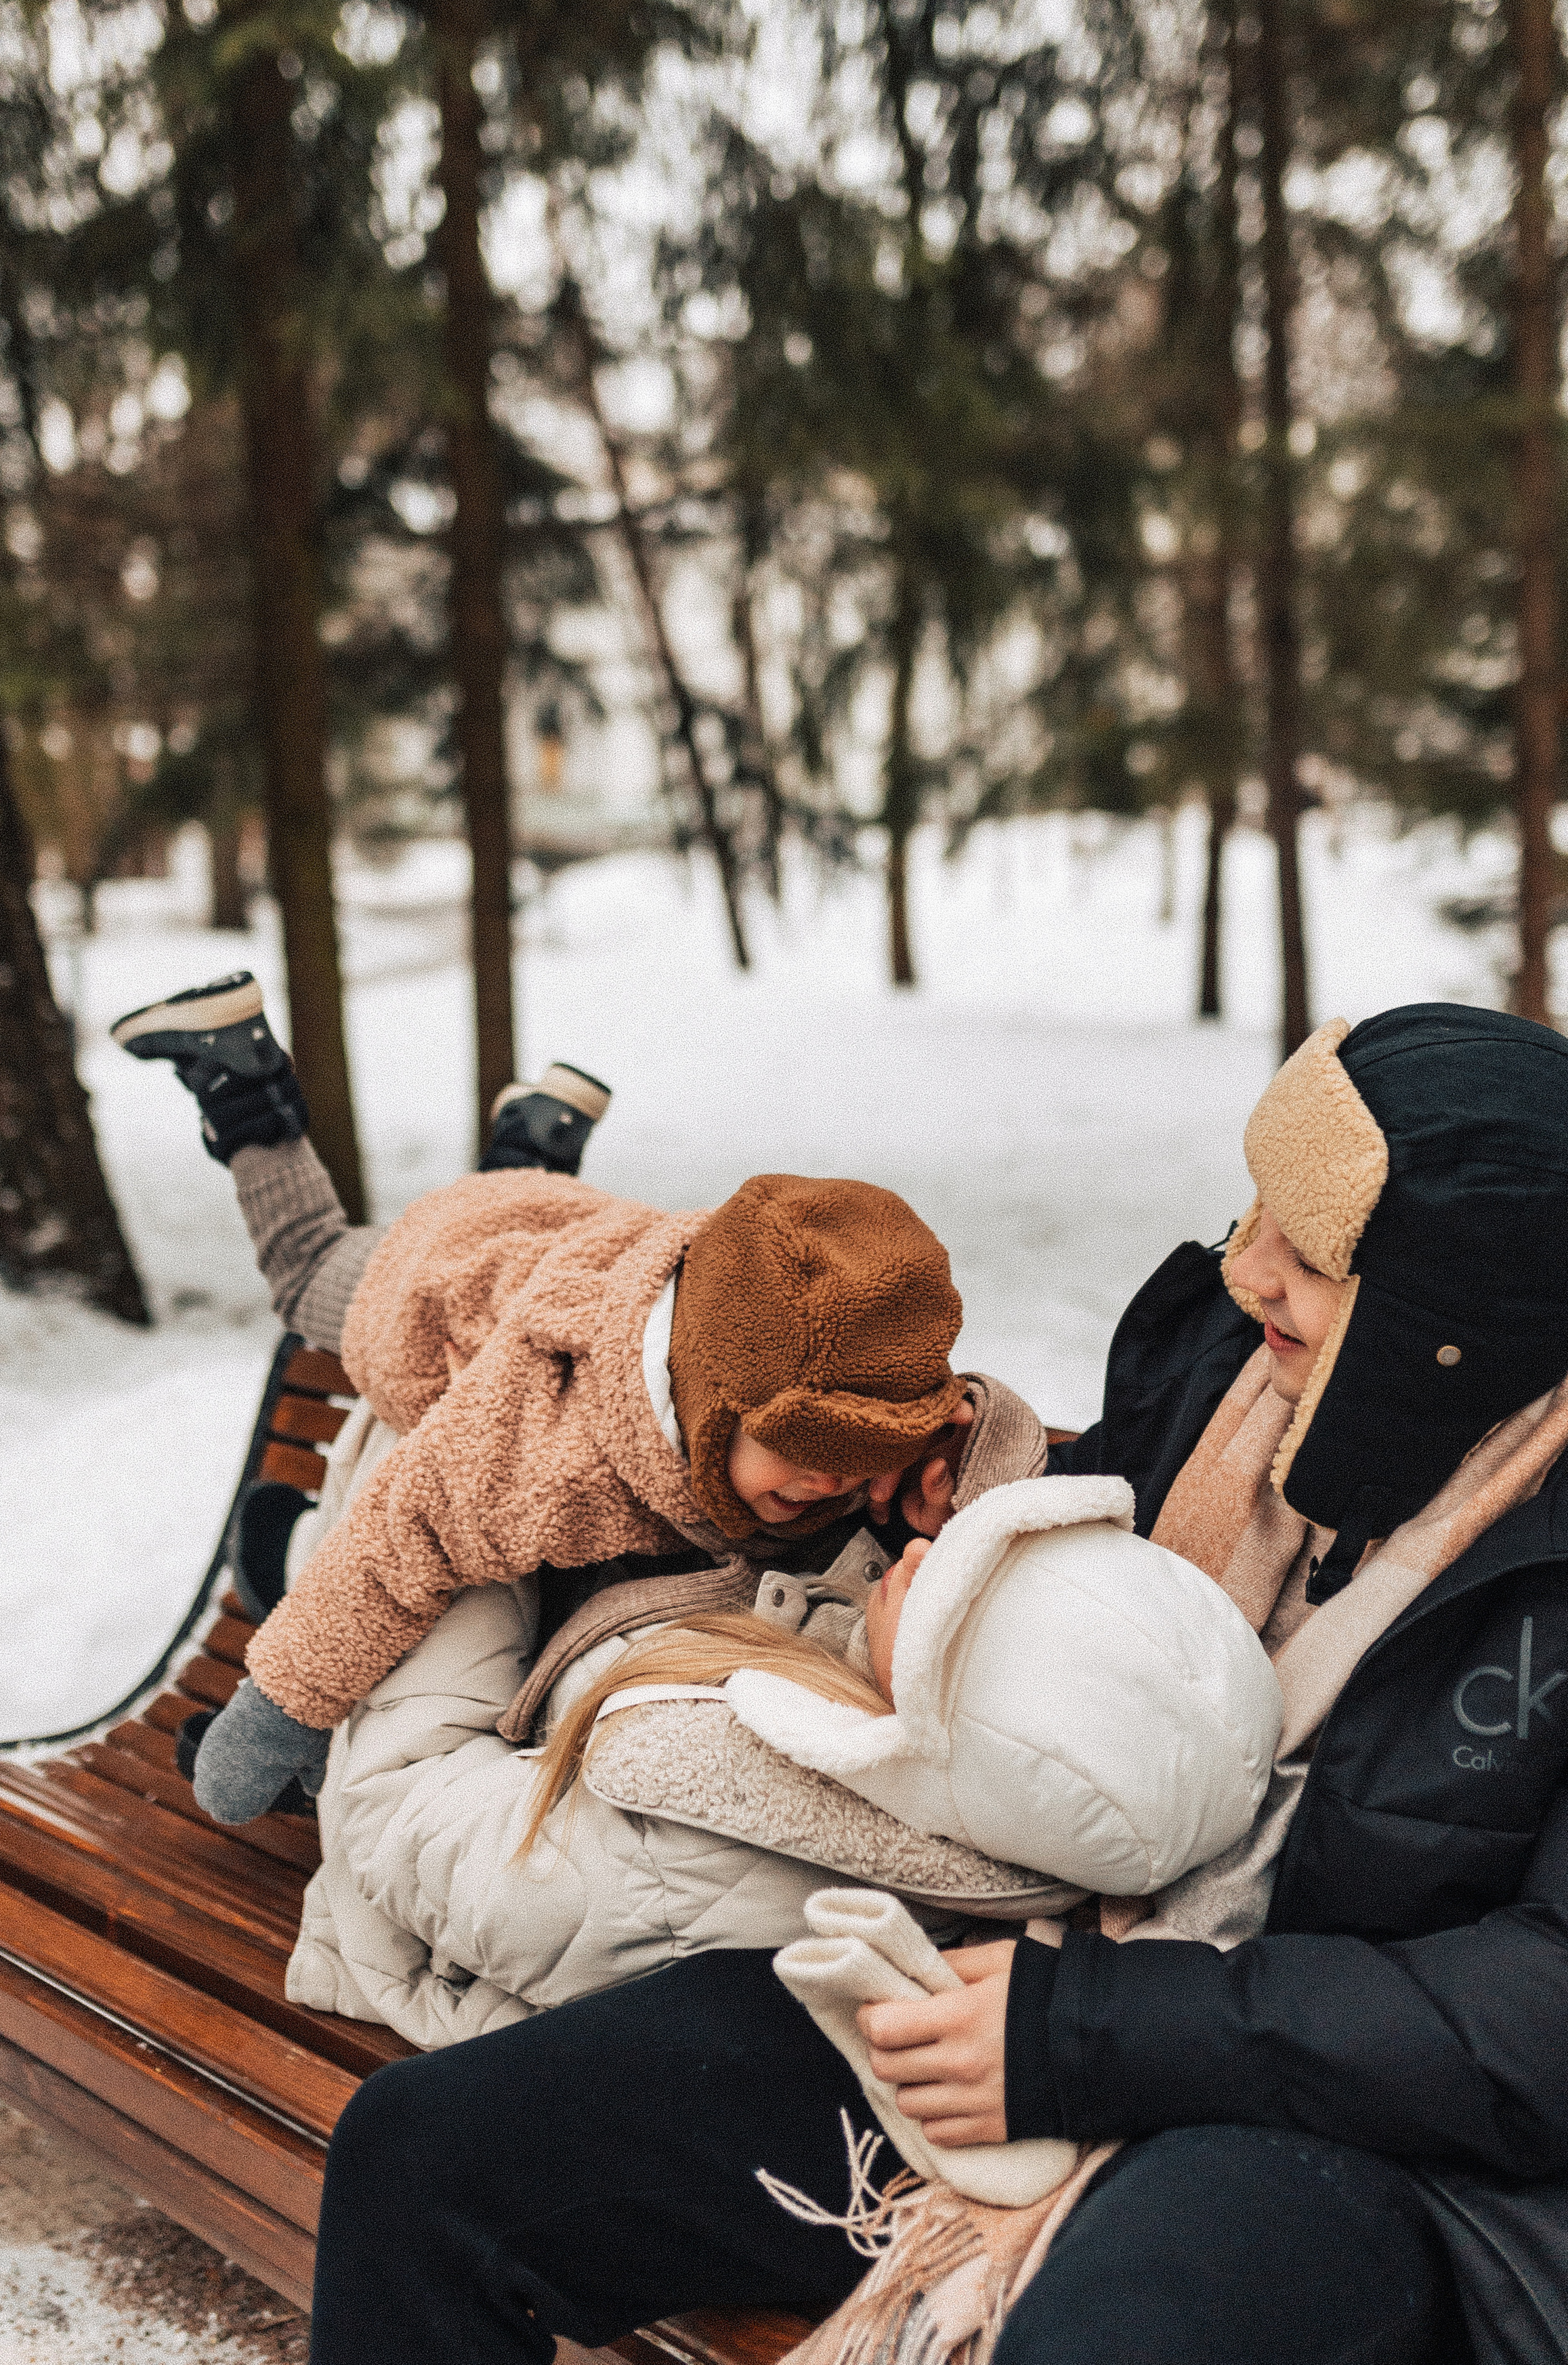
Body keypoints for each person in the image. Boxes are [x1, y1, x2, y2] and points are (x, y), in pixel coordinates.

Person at [306, 1003, 1568, 2365]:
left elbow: (1537, 2012)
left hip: (1359, 2137)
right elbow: (1086, 1626)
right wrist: (948, 1564)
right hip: (1026, 1959)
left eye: (1308, 1251)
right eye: (1250, 1206)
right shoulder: (1239, 1371)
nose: (1242, 1265)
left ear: (1448, 1317)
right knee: (429, 2154)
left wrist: (1089, 2033)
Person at [112, 971, 983, 1827]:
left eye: (860, 1456)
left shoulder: (773, 1317)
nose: (832, 1484)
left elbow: (931, 1405)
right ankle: (240, 1075)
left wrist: (948, 1447)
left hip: (564, 1227)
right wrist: (273, 1722)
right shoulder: (538, 1453)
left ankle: (531, 1142)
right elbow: (392, 1544)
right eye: (806, 1452)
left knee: (508, 1207)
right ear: (711, 1404)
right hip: (444, 1270)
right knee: (303, 1264)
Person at [282, 1398, 1278, 2049]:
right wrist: (951, 1439)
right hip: (559, 1669)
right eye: (973, 1545)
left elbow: (394, 1804)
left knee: (422, 1453)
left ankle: (294, 1555)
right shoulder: (981, 1794)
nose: (929, 1558)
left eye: (958, 1610)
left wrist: (464, 1527)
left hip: (408, 1808)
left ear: (941, 1724)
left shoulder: (680, 1855)